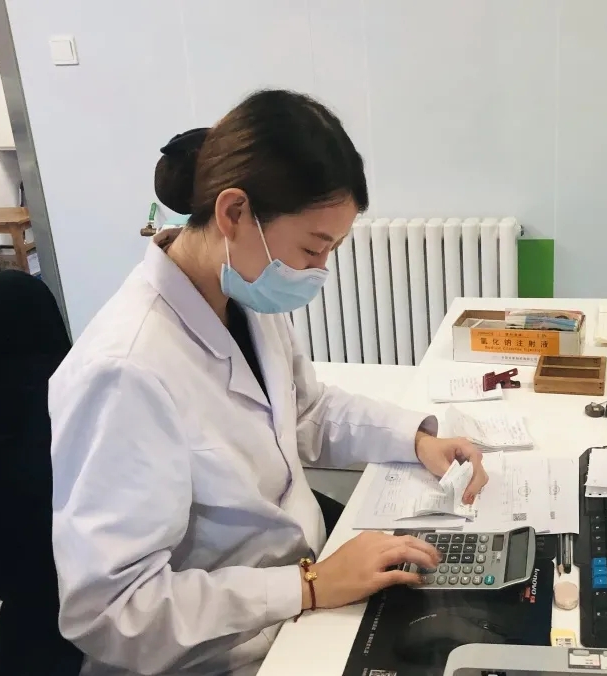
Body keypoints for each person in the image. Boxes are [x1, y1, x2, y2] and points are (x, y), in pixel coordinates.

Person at [48, 89, 489, 676]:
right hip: (217, 655)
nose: (319, 271)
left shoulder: (242, 295)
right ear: (234, 213)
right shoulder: (125, 371)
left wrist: (416, 440)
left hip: (299, 599)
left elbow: (304, 413)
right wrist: (308, 585)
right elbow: (112, 612)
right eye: (312, 248)